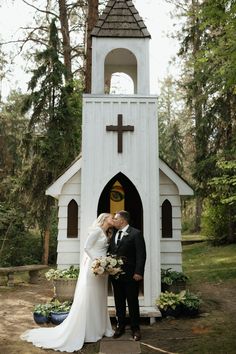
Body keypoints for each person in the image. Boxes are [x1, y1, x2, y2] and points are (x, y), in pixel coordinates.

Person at [21, 213, 114, 352]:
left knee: (100, 297)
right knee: (91, 296)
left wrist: (105, 264)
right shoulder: (96, 231)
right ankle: (89, 330)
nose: (113, 219)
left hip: (103, 269)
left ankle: (100, 328)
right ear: (105, 219)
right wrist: (98, 261)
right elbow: (87, 248)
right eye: (111, 217)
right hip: (94, 267)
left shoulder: (108, 232)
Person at [108, 210, 146, 341]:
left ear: (123, 220)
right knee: (119, 302)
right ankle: (120, 326)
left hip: (131, 275)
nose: (114, 221)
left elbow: (141, 255)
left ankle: (135, 328)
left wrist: (138, 272)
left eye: (116, 219)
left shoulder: (136, 233)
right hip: (116, 276)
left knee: (132, 301)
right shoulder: (114, 234)